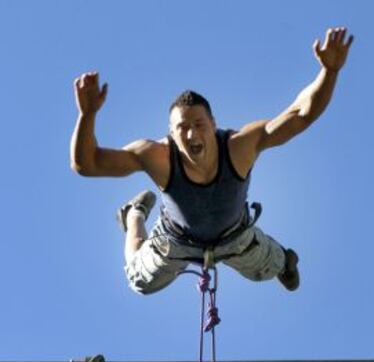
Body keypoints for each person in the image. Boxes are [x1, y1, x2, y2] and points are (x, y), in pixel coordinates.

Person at [71, 27, 353, 296]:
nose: (192, 133)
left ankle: (283, 260)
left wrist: (329, 72)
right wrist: (87, 116)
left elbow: (300, 114)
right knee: (139, 282)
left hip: (235, 237)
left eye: (199, 124)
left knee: (271, 269)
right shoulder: (156, 156)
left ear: (213, 123)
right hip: (176, 242)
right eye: (182, 127)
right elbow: (88, 164)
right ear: (171, 133)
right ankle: (134, 212)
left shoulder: (239, 146)